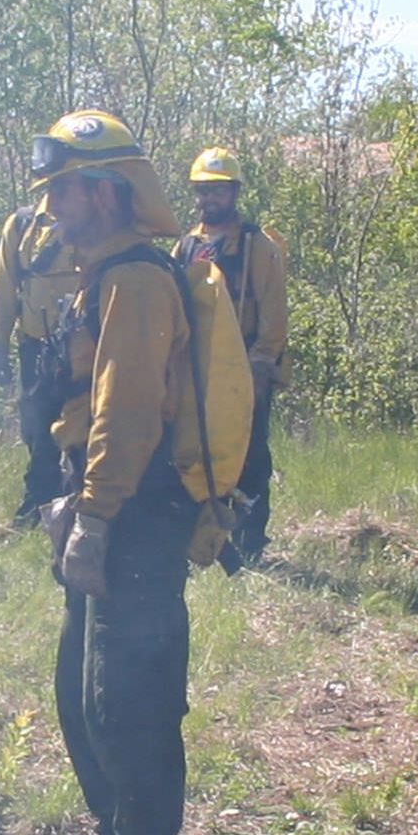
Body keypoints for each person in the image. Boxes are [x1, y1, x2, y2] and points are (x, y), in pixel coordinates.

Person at [21, 109, 231, 835]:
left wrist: (99, 515)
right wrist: (71, 499)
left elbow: (130, 410)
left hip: (139, 512)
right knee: (83, 691)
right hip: (106, 497)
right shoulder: (103, 276)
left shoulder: (137, 282)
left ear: (105, 196)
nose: (52, 212)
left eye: (65, 194)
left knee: (128, 693)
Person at [184, 146, 291, 567]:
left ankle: (249, 545)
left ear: (234, 193)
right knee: (197, 455)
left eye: (219, 191)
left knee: (250, 459)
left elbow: (274, 312)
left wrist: (262, 364)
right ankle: (203, 542)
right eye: (203, 191)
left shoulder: (258, 247)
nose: (210, 199)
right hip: (199, 368)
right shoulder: (188, 244)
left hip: (245, 369)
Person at [0, 182, 84, 523]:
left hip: (83, 349)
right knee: (37, 432)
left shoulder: (91, 223)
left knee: (83, 427)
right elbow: (4, 288)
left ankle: (81, 502)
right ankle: (39, 504)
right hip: (36, 349)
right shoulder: (23, 225)